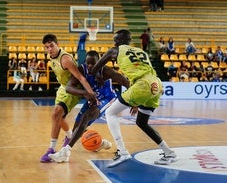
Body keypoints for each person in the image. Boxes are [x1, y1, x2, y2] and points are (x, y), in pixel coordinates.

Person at [92, 29, 178, 167]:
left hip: (141, 86)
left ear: (119, 41)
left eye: (115, 40)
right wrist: (137, 100)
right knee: (142, 122)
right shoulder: (141, 51)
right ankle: (169, 153)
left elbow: (95, 68)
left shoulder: (114, 50)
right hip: (156, 84)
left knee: (110, 113)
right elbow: (148, 71)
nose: (114, 42)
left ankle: (123, 152)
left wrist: (96, 77)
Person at [48, 50, 130, 163]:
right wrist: (84, 93)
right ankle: (100, 144)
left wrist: (133, 102)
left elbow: (126, 82)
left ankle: (65, 152)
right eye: (88, 63)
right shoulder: (82, 69)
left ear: (99, 62)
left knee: (86, 117)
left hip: (107, 98)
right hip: (91, 97)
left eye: (93, 63)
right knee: (77, 129)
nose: (90, 66)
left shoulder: (106, 71)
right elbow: (69, 87)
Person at [40, 34, 95, 163]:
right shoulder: (51, 56)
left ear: (57, 44)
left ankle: (51, 150)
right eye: (46, 47)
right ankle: (70, 136)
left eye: (51, 46)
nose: (49, 49)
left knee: (56, 114)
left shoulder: (65, 59)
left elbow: (81, 78)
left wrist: (90, 93)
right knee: (59, 118)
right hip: (63, 88)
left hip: (73, 89)